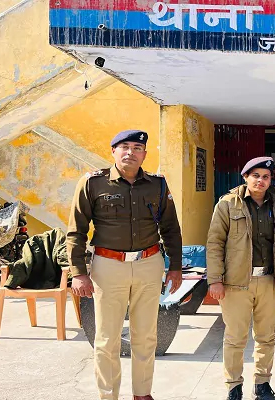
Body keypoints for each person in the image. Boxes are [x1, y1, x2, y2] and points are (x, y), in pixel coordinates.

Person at [67, 129, 183, 400]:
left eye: (137, 148)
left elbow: (170, 228)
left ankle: (142, 394)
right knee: (107, 338)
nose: (131, 152)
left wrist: (175, 267)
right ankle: (109, 396)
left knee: (146, 335)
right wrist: (78, 273)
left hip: (149, 264)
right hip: (109, 266)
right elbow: (76, 231)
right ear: (114, 151)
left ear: (144, 154)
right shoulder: (93, 183)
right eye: (125, 147)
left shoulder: (158, 185)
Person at [206, 156, 275, 400]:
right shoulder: (227, 204)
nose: (260, 180)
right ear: (245, 177)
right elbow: (215, 243)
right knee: (235, 337)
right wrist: (215, 279)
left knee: (266, 337)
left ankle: (262, 384)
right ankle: (233, 385)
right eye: (255, 175)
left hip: (270, 281)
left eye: (265, 177)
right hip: (236, 283)